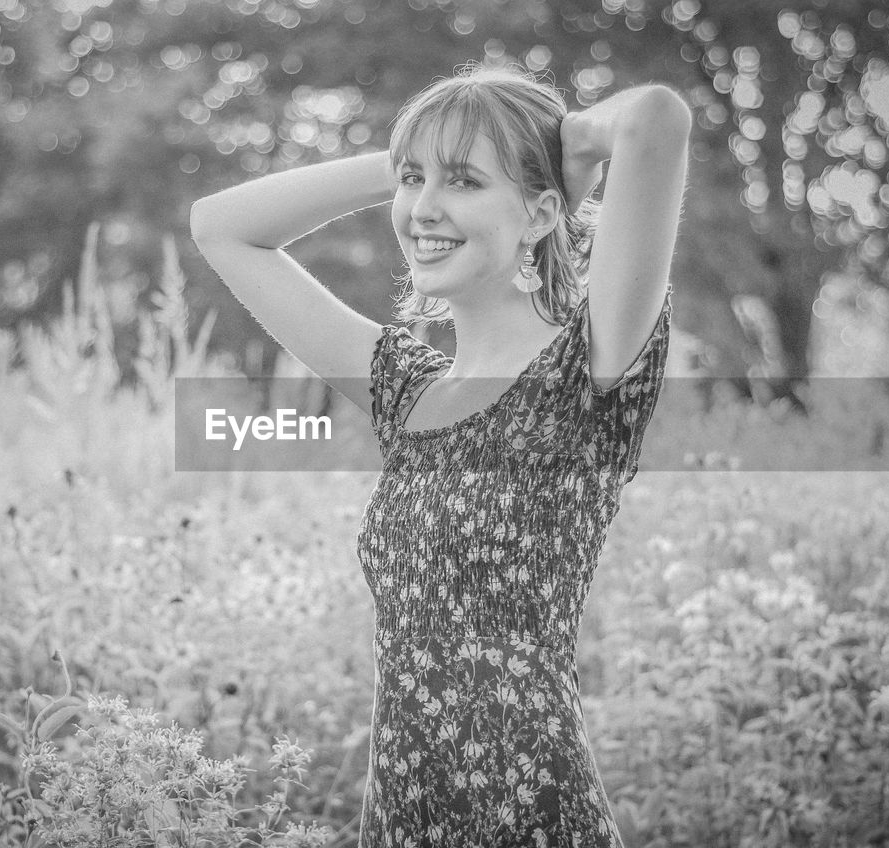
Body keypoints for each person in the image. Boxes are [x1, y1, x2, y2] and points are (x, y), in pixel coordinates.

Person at [191, 61, 689, 848]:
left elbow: (656, 117)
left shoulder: (587, 374)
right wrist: (412, 153)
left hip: (530, 811)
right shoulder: (404, 389)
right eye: (413, 182)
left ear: (541, 213)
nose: (423, 209)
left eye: (462, 182)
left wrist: (569, 143)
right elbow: (221, 226)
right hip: (403, 813)